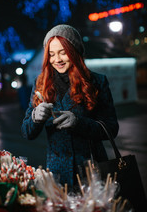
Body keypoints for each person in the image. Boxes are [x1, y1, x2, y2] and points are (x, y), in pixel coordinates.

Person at [21, 24, 119, 191]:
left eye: (62, 52)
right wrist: (35, 117)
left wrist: (78, 123)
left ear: (74, 51)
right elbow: (26, 132)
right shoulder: (41, 85)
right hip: (57, 174)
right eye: (51, 54)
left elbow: (111, 128)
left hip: (92, 170)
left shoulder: (97, 82)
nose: (57, 60)